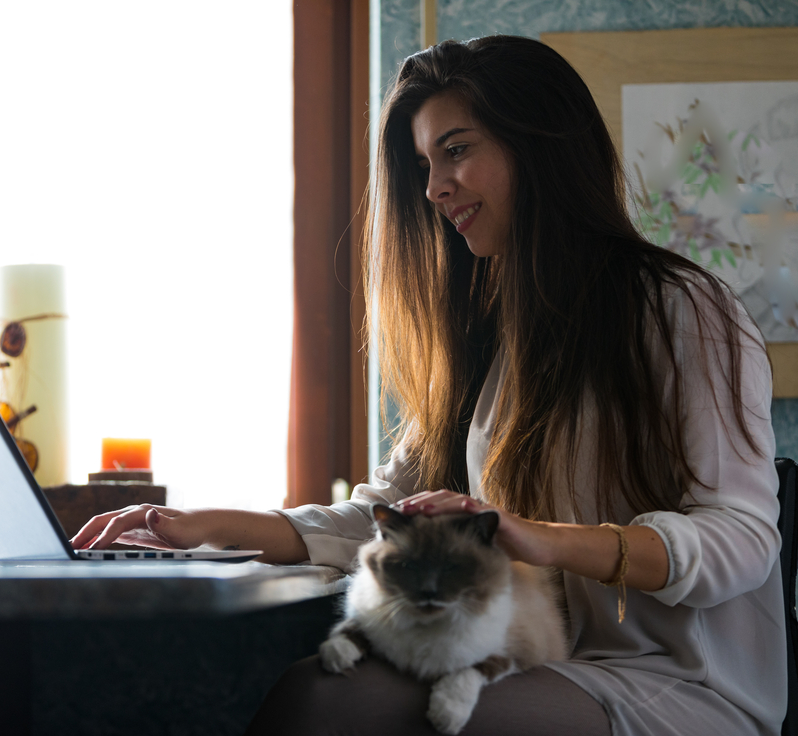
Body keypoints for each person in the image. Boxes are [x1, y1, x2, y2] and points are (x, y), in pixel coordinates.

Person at [71, 36, 786, 736]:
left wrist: (541, 539)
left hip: (677, 684)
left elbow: (742, 536)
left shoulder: (679, 310)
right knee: (316, 690)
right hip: (527, 661)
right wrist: (213, 529)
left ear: (540, 146)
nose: (435, 188)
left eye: (457, 149)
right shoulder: (487, 333)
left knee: (325, 704)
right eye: (423, 163)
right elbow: (390, 513)